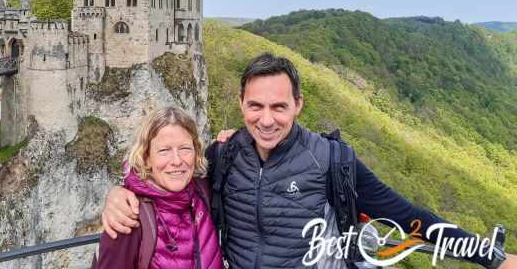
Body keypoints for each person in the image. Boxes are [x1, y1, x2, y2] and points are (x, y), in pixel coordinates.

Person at [101, 53, 516, 269]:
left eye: (279, 107)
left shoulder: (333, 161)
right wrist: (119, 192)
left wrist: (488, 255)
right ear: (241, 103)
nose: (266, 119)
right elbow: (168, 178)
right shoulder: (223, 156)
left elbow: (408, 218)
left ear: (299, 104)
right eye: (256, 106)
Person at [92, 106, 223, 269]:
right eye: (164, 150)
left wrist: (231, 138)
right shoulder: (128, 217)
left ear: (196, 152)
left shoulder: (202, 193)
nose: (176, 160)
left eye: (185, 148)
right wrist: (115, 193)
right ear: (146, 158)